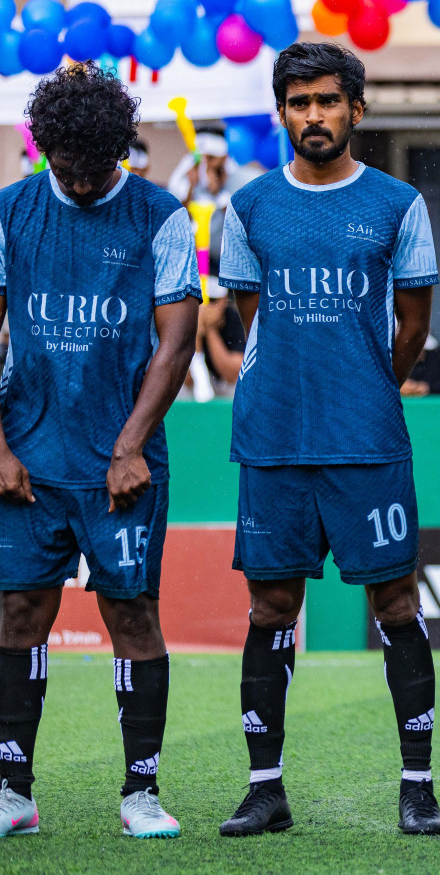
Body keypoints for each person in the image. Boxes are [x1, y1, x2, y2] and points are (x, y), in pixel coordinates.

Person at [214, 43, 440, 837]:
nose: (314, 115)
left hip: (366, 440)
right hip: (274, 438)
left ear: (356, 109)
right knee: (271, 606)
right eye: (299, 102)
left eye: (328, 101)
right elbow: (251, 316)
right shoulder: (247, 206)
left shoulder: (398, 203)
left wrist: (364, 382)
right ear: (282, 112)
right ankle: (264, 789)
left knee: (397, 602)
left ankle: (418, 786)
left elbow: (412, 323)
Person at [0, 63, 201, 839]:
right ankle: (13, 793)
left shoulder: (160, 215)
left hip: (124, 462)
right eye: (66, 167)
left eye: (95, 167)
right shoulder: (12, 211)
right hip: (27, 457)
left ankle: (141, 793)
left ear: (120, 148)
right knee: (19, 610)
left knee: (133, 614)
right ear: (44, 148)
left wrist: (130, 446)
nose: (81, 183)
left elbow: (176, 342)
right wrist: (0, 447)